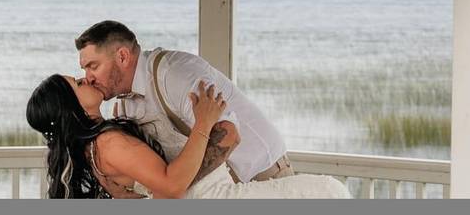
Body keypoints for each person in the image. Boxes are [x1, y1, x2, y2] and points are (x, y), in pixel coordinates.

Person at [26, 73, 351, 199]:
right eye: (78, 84)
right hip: (215, 197)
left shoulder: (93, 148)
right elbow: (170, 184)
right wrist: (204, 122)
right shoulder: (108, 143)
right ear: (70, 107)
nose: (86, 78)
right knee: (329, 191)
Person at [74, 20, 290, 184]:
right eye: (85, 69)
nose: (88, 77)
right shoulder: (122, 107)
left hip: (262, 176)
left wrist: (176, 188)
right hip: (215, 190)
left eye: (93, 66)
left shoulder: (175, 74)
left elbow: (229, 136)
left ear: (122, 57)